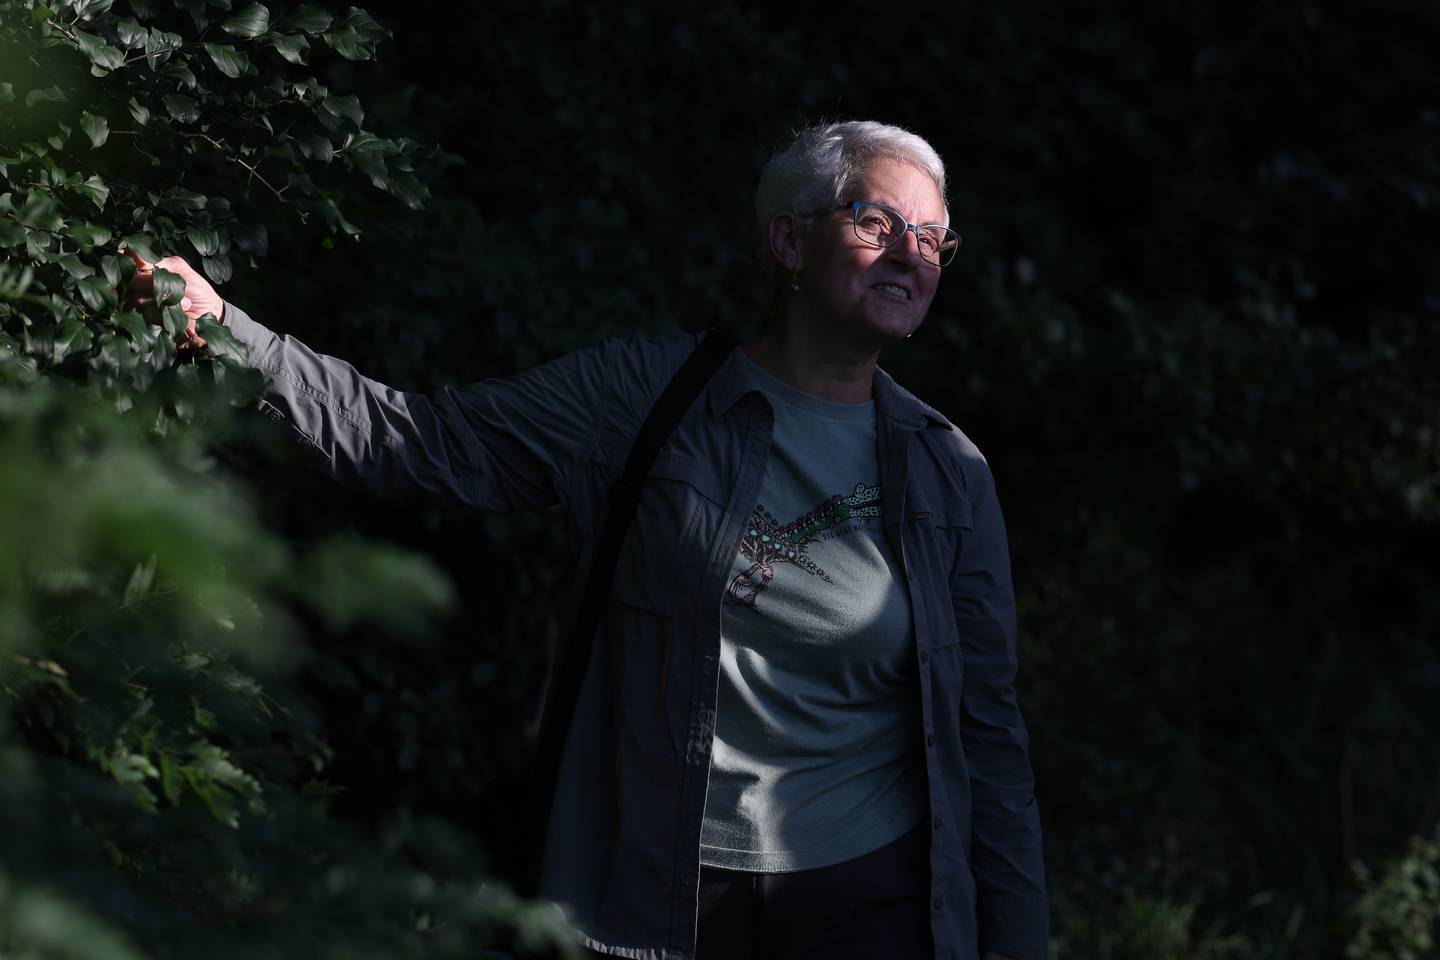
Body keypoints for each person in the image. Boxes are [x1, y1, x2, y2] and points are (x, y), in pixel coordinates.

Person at [128, 119, 1047, 960]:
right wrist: (229, 334)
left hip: (869, 900)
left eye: (932, 240)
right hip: (656, 895)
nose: (911, 256)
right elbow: (424, 442)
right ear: (787, 239)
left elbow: (989, 734)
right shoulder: (648, 400)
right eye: (878, 221)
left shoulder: (947, 474)